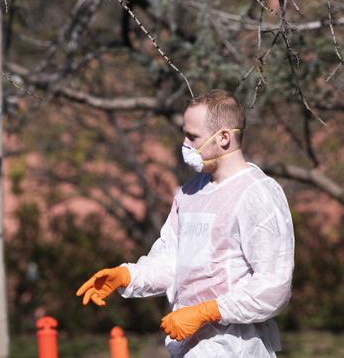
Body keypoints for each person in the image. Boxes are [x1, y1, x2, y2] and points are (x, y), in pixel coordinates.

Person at [76, 90, 295, 357]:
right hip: (189, 343)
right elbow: (172, 261)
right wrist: (127, 276)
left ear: (224, 137)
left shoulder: (257, 194)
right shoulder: (189, 193)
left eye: (192, 137)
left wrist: (208, 311)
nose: (185, 144)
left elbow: (274, 285)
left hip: (236, 346)